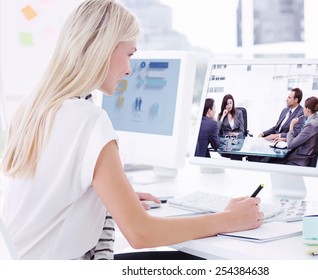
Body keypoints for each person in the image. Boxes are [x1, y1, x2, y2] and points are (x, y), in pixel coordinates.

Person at [0, 0, 262, 260]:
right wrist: (228, 220)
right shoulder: (87, 118)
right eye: (129, 54)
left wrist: (110, 196)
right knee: (195, 261)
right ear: (102, 49)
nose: (128, 70)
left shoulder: (37, 107)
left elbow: (48, 193)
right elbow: (141, 233)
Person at [284, 96, 318, 166]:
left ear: (308, 110)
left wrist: (291, 126)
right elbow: (302, 137)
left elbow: (290, 145)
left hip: (299, 160)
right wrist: (285, 139)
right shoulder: (317, 119)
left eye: (304, 108)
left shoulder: (311, 125)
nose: (303, 110)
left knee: (270, 160)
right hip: (303, 155)